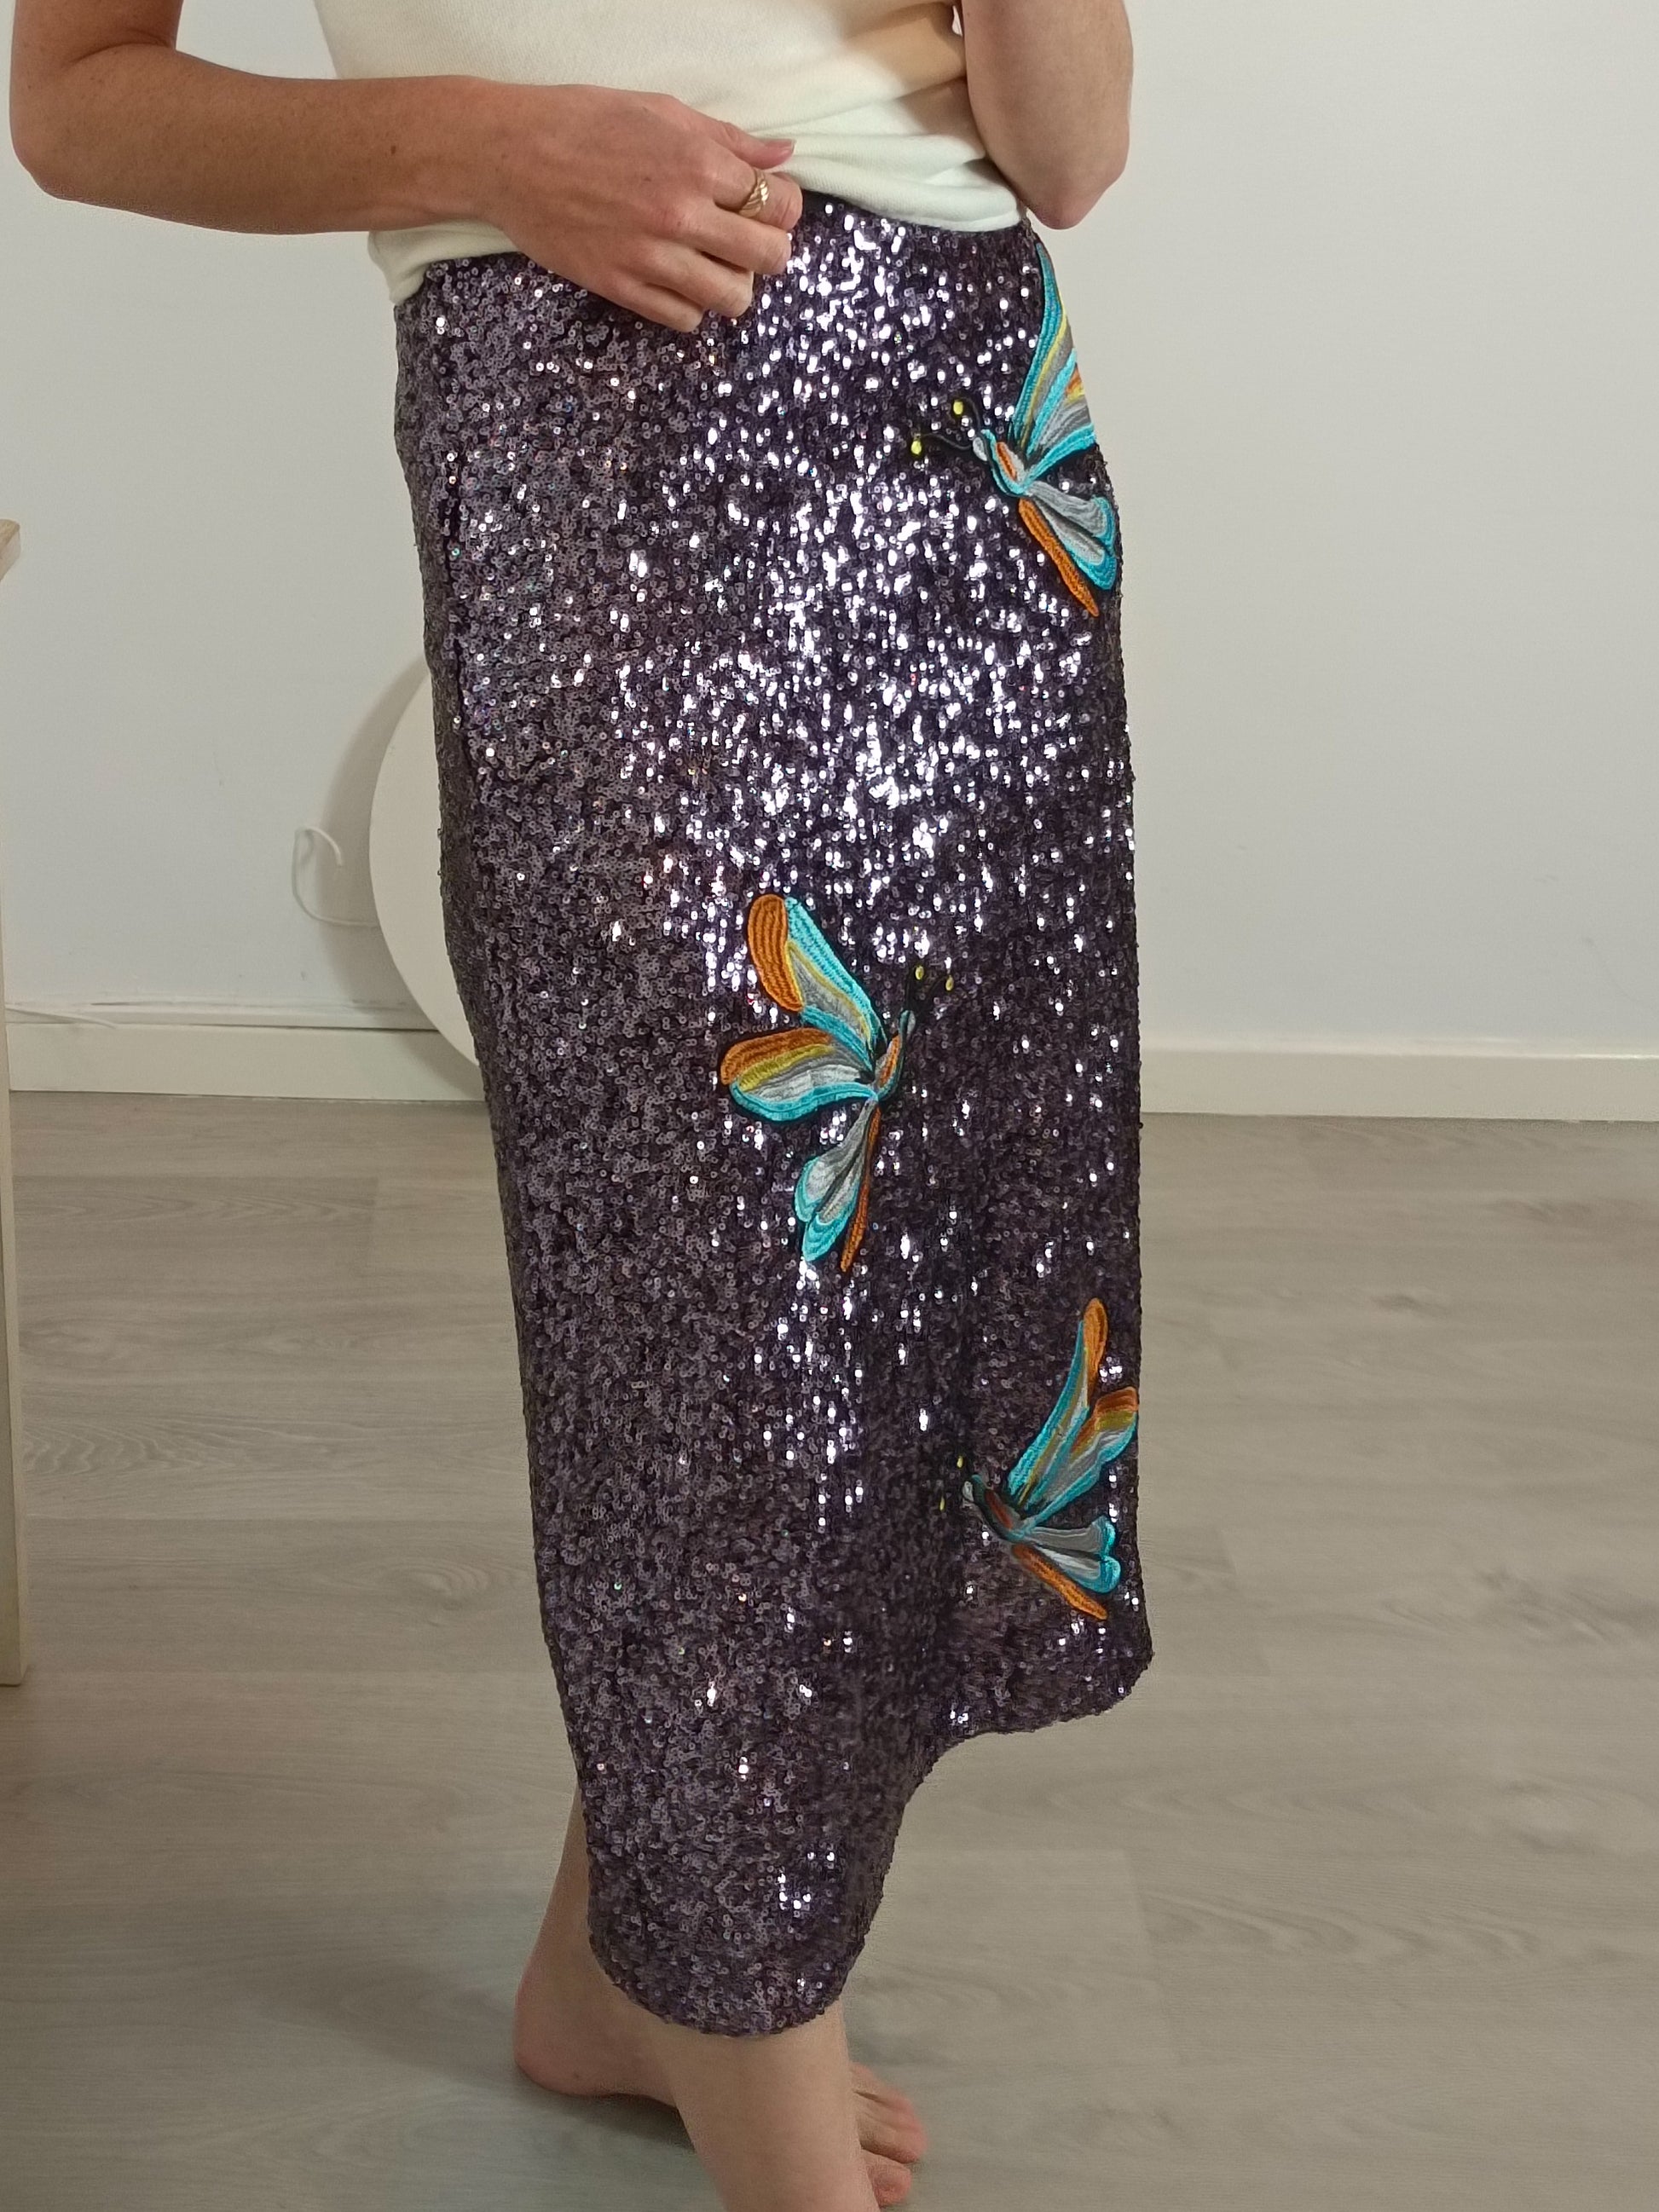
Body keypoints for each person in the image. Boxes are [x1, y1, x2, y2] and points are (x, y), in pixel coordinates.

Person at [10, 6, 1143, 2207]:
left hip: (971, 422)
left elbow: (1074, 152)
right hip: (594, 399)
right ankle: (751, 2044)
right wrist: (494, 148)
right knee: (705, 1272)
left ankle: (615, 1966)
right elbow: (74, 104)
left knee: (922, 1257)